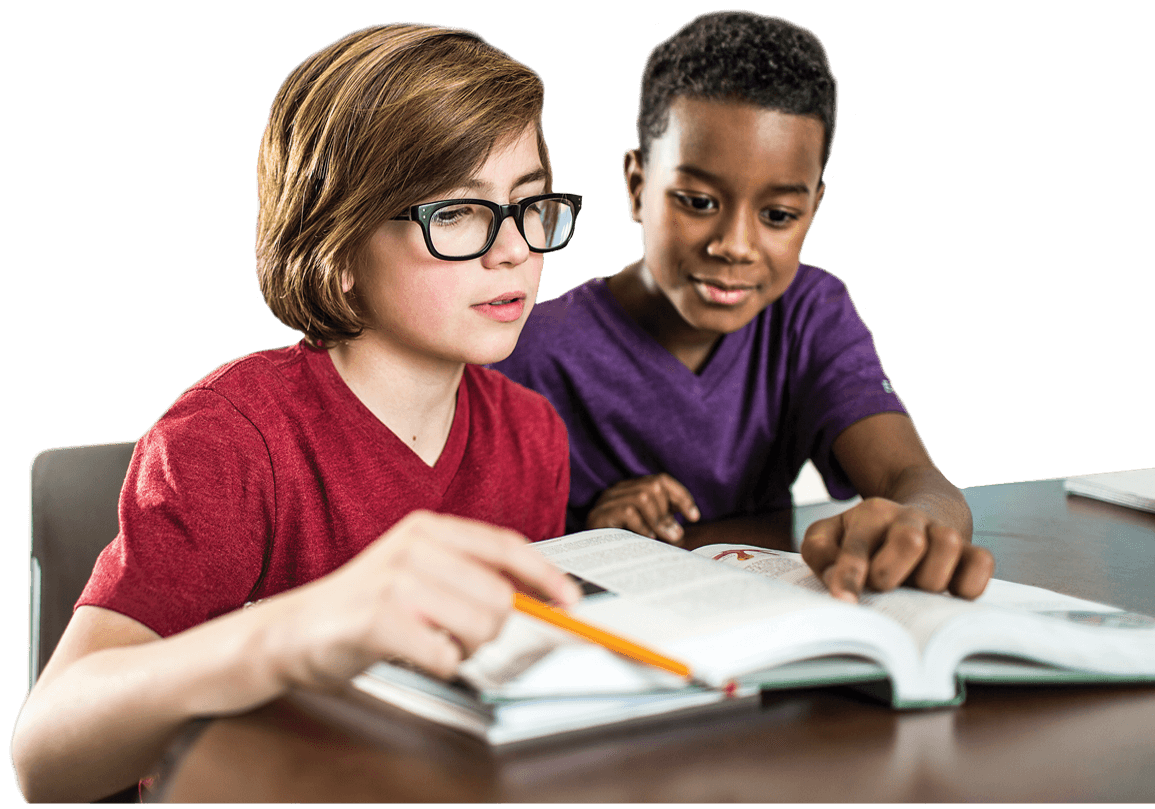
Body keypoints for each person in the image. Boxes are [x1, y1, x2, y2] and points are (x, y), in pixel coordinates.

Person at [12, 23, 583, 803]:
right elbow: (43, 759)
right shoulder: (225, 443)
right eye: (455, 213)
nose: (514, 248)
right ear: (340, 252)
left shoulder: (532, 433)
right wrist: (304, 626)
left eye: (527, 203)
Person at [491, 11, 994, 604]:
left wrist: (917, 522)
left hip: (764, 628)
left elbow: (910, 479)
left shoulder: (809, 314)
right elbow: (484, 554)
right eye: (698, 201)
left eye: (778, 215)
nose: (734, 245)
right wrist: (590, 533)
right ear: (635, 186)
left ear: (813, 206)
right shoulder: (522, 347)